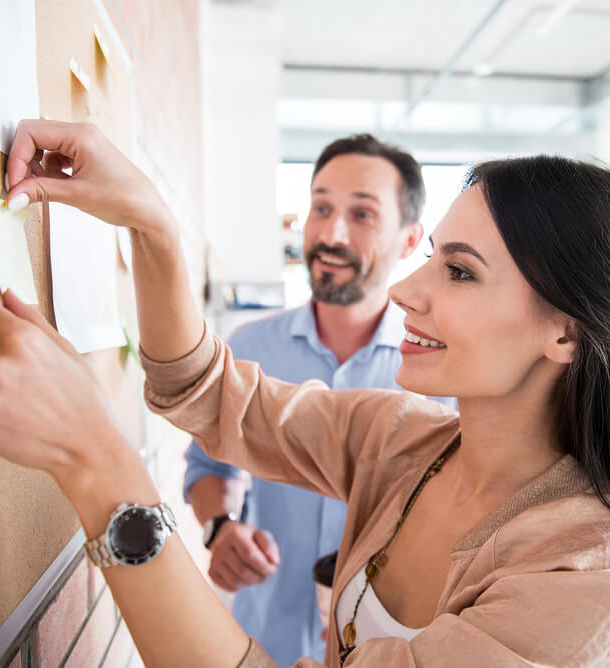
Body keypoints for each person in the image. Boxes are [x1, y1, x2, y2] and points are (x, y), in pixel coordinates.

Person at [0, 120, 610, 667]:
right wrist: (153, 224)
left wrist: (95, 458)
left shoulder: (602, 570)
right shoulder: (402, 440)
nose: (409, 291)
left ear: (565, 333)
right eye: (433, 259)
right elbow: (206, 392)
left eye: (460, 272)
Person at [184, 134, 453, 665]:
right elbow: (207, 465)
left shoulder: (443, 368)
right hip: (262, 640)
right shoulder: (248, 348)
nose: (331, 233)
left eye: (362, 215)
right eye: (321, 208)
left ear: (408, 239)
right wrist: (220, 528)